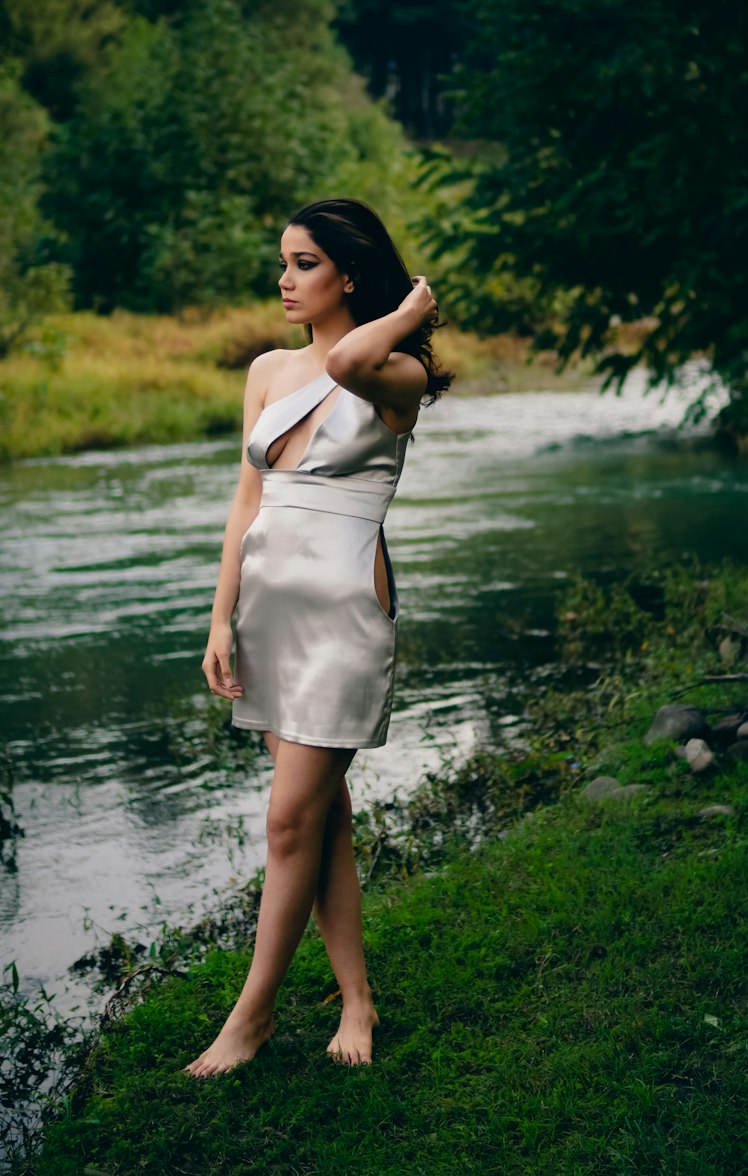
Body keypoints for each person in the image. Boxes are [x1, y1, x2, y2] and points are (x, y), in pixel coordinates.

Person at [188, 198, 451, 1077]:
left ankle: (251, 1018)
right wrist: (221, 617)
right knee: (322, 815)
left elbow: (345, 358)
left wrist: (410, 313)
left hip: (343, 619)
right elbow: (247, 500)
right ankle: (357, 1000)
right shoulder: (265, 369)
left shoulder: (397, 375)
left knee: (288, 819)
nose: (284, 279)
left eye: (303, 262)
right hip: (269, 613)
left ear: (350, 273)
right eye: (282, 262)